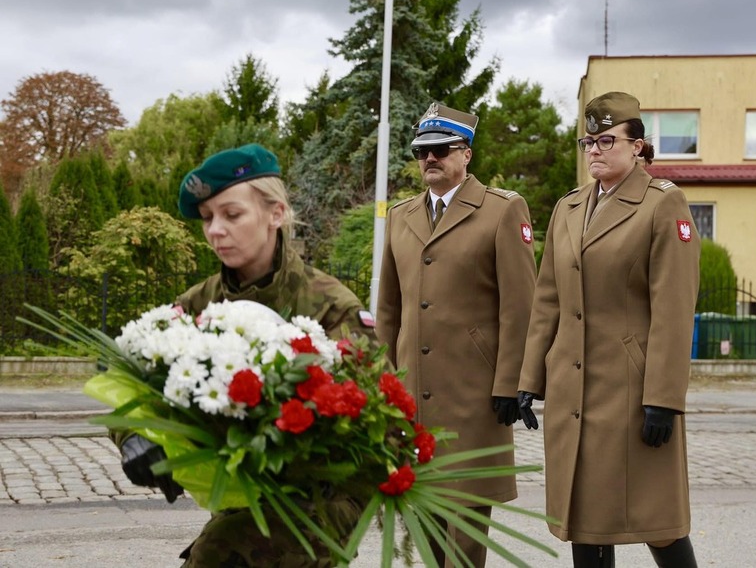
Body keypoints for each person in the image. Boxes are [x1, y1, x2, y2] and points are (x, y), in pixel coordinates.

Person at [118, 143, 376, 567]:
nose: (215, 231)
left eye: (232, 214)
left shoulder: (332, 306)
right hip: (242, 494)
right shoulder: (199, 302)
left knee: (215, 556)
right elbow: (135, 378)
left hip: (325, 495)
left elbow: (372, 419)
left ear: (276, 213)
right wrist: (134, 436)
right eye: (207, 218)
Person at [517, 91, 701, 568]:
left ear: (637, 146)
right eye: (588, 142)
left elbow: (674, 308)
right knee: (585, 518)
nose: (594, 150)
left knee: (657, 520)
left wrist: (663, 397)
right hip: (573, 388)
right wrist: (529, 379)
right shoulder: (569, 207)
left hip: (630, 390)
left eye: (605, 141)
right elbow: (548, 299)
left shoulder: (662, 203)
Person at [376, 102, 537, 567]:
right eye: (421, 151)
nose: (430, 158)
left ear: (466, 154)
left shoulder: (502, 210)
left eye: (442, 149)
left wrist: (510, 382)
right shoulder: (401, 216)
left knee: (464, 532)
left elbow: (520, 307)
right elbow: (388, 311)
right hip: (412, 397)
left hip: (474, 396)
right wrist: (383, 383)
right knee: (422, 525)